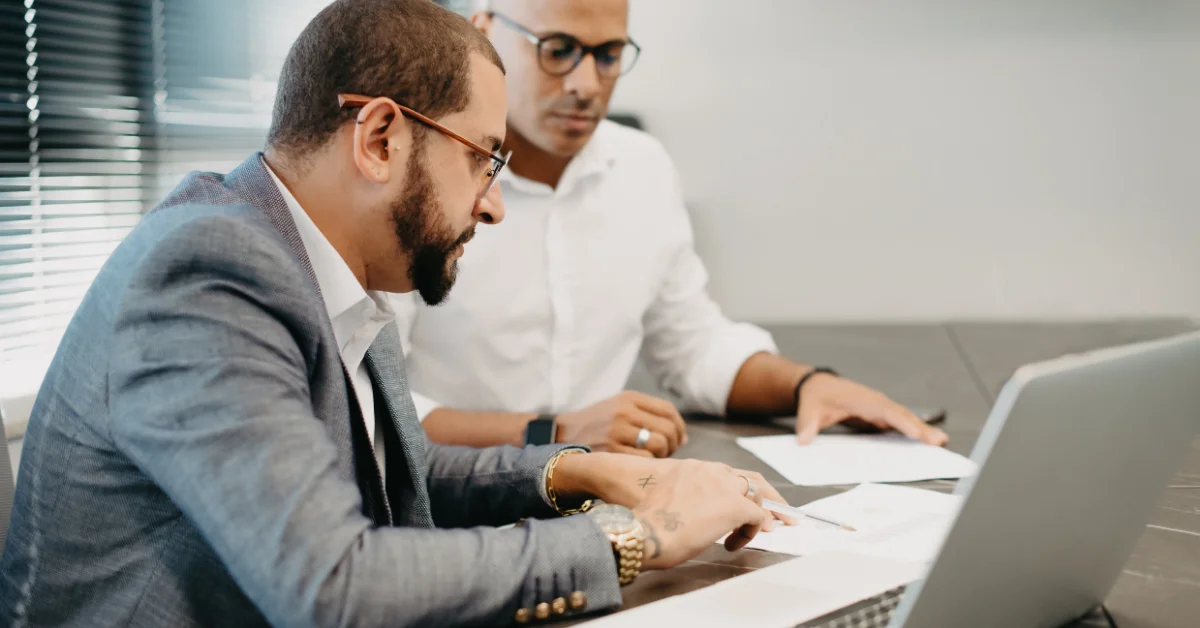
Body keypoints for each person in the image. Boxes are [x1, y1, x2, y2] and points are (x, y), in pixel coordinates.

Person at [0, 2, 790, 626]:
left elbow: (389, 468)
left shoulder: (333, 267)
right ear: (379, 138)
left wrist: (579, 471)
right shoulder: (207, 273)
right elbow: (333, 587)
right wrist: (639, 538)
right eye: (483, 158)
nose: (493, 205)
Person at [396, 0, 950, 458]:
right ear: (483, 31)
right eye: (557, 50)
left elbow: (693, 348)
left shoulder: (642, 167)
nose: (586, 84)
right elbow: (372, 407)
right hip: (441, 502)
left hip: (599, 497)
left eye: (609, 55)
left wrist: (809, 385)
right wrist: (554, 433)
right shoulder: (419, 179)